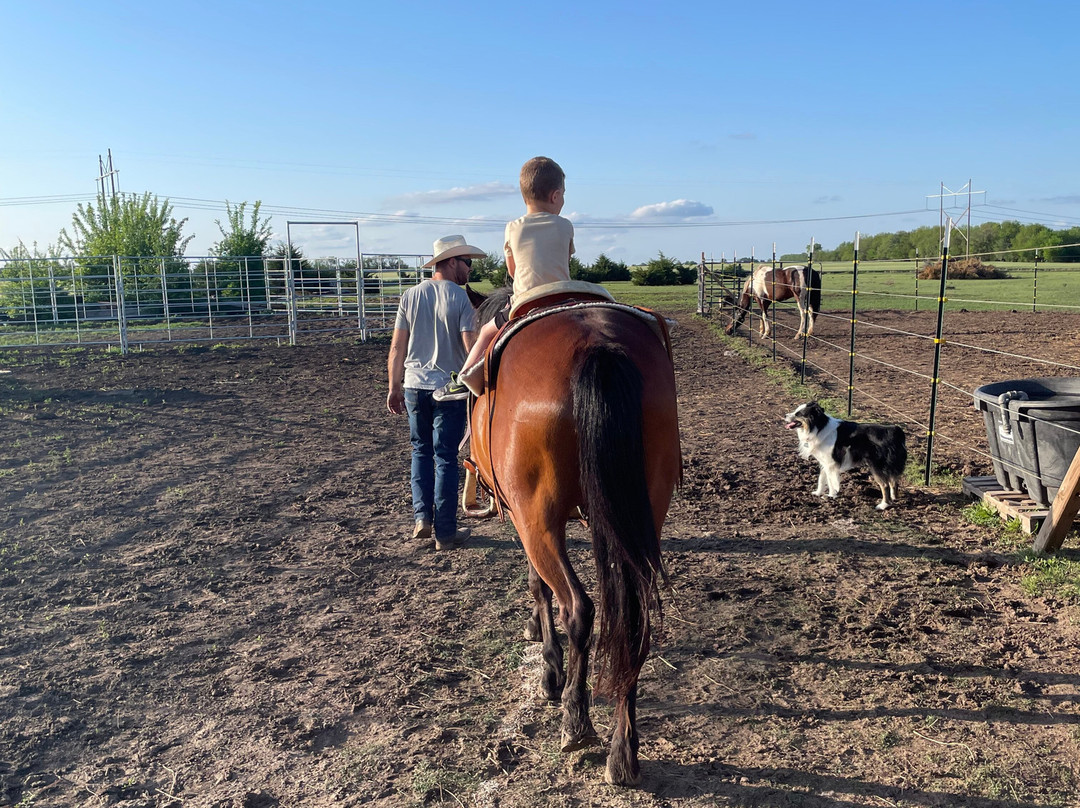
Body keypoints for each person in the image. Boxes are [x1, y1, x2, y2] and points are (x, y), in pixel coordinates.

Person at [434, 156, 573, 399]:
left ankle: (464, 377)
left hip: (525, 301)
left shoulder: (513, 227)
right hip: (564, 297)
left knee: (488, 331)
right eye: (563, 195)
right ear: (554, 196)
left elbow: (512, 271)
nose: (563, 200)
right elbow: (565, 262)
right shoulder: (566, 225)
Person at [386, 235, 482, 550]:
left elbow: (398, 347)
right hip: (448, 389)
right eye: (467, 262)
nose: (469, 269)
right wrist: (480, 380)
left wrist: (394, 386)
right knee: (445, 456)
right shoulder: (460, 298)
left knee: (420, 451)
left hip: (414, 386)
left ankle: (421, 518)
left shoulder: (410, 296)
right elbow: (470, 346)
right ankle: (445, 532)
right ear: (452, 261)